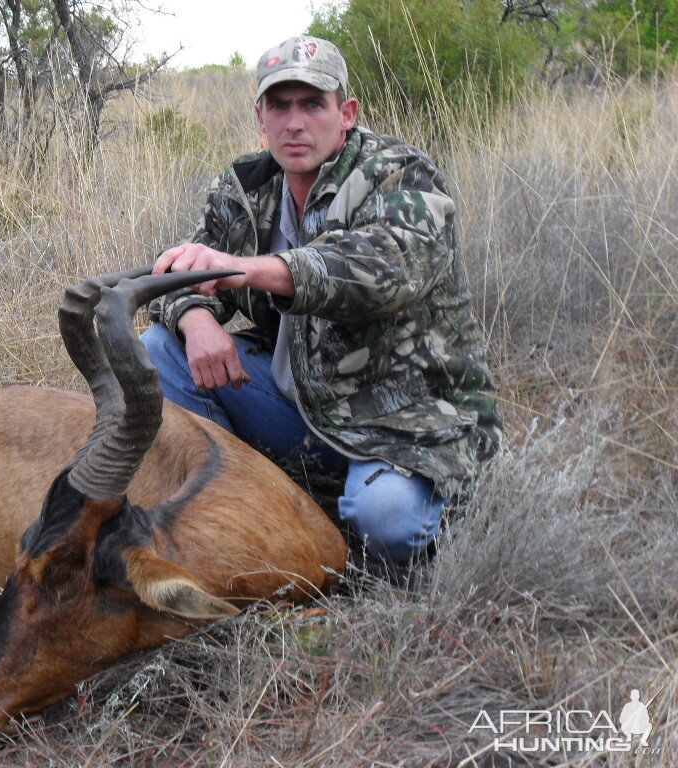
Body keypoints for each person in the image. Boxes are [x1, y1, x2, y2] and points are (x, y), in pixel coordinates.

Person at [142, 35, 502, 577]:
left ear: (346, 113)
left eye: (312, 104)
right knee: (159, 349)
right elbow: (179, 270)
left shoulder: (400, 174)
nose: (294, 123)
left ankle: (408, 499)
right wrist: (195, 320)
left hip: (398, 417)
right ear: (260, 116)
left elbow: (381, 271)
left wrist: (250, 268)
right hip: (298, 406)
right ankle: (230, 504)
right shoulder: (244, 185)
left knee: (388, 523)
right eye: (280, 106)